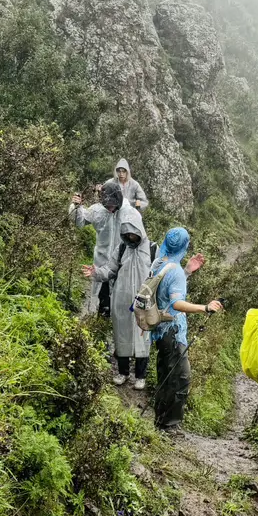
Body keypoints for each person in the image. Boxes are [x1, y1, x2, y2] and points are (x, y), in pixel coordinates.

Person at [148, 227, 224, 432]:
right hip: (173, 332)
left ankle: (160, 420)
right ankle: (169, 425)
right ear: (184, 245)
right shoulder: (175, 272)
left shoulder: (159, 262)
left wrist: (188, 271)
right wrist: (205, 307)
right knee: (180, 377)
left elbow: (165, 287)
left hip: (159, 330)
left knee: (165, 373)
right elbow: (177, 304)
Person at [82, 184, 152, 388]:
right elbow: (109, 270)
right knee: (122, 335)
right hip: (120, 302)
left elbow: (160, 277)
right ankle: (122, 373)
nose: (130, 236)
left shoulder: (151, 250)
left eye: (133, 233)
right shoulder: (121, 249)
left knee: (142, 335)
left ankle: (140, 376)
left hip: (143, 303)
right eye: (127, 233)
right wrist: (95, 273)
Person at [68, 184, 123, 317]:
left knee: (119, 294)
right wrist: (76, 206)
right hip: (102, 261)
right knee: (102, 296)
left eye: (113, 205)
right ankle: (100, 321)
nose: (111, 208)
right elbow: (79, 221)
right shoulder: (97, 210)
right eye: (108, 205)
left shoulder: (125, 211)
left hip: (122, 262)